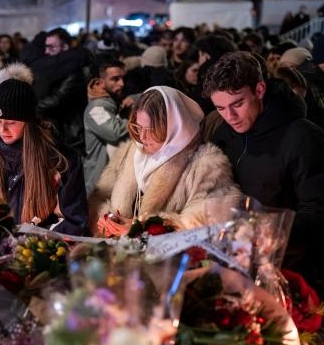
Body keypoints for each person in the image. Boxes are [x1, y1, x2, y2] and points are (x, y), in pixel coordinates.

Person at [205, 51, 324, 288]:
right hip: (234, 264)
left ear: (260, 89)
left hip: (290, 272)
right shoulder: (223, 133)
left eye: (238, 104)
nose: (230, 116)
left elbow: (319, 213)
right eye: (220, 108)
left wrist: (270, 230)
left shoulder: (304, 137)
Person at [90, 86, 239, 235]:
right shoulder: (129, 152)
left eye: (151, 129)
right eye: (138, 127)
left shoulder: (206, 166)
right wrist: (106, 220)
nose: (142, 137)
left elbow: (204, 222)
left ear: (174, 126)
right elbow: (99, 198)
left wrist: (143, 228)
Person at [0, 79, 88, 234]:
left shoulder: (61, 161)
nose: (3, 129)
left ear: (28, 121)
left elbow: (74, 221)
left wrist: (32, 240)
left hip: (40, 245)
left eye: (11, 122)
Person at [83, 59, 128, 194]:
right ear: (100, 82)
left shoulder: (114, 102)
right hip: (100, 186)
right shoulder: (96, 108)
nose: (122, 83)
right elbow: (114, 132)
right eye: (115, 79)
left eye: (123, 78)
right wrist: (136, 118)